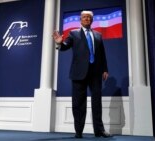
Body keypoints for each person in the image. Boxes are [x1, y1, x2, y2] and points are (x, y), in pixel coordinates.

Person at [53, 10, 111, 138]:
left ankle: (99, 131)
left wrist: (105, 69)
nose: (86, 19)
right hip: (78, 73)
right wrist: (59, 42)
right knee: (78, 103)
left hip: (95, 73)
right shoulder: (73, 33)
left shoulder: (98, 35)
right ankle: (78, 131)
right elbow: (65, 46)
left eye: (89, 17)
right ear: (80, 20)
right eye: (84, 17)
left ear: (92, 20)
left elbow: (102, 54)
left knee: (97, 102)